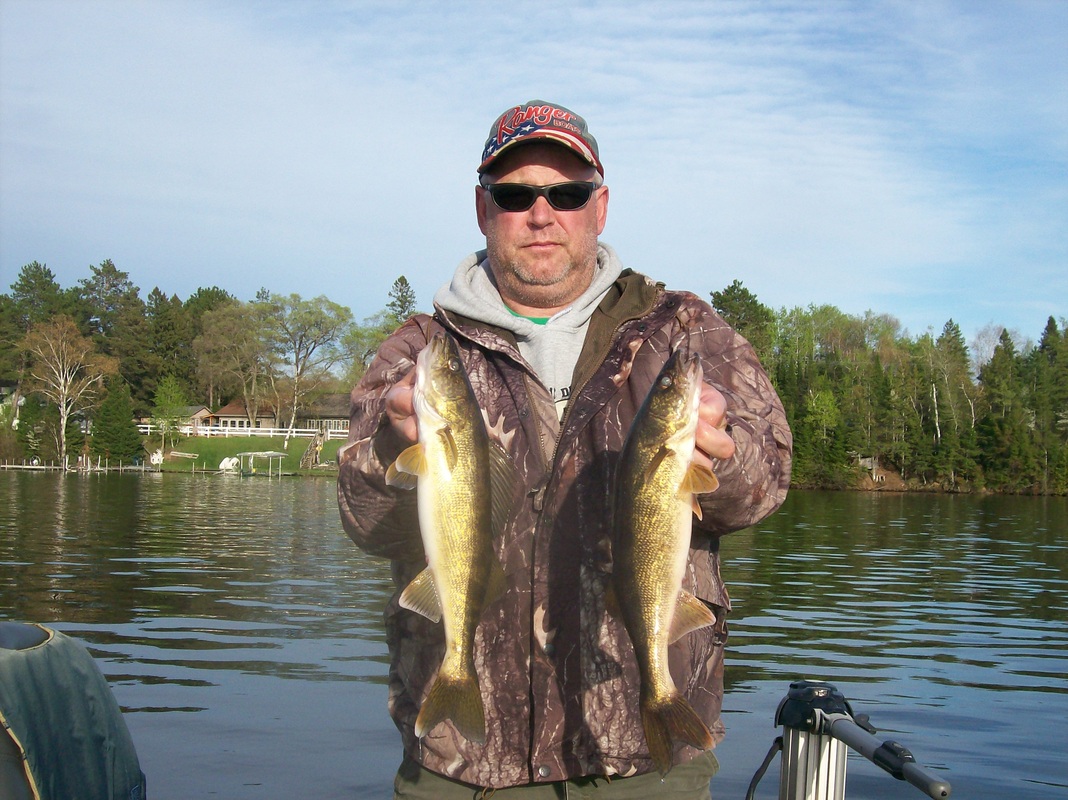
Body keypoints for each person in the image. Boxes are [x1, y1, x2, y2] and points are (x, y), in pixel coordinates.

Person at [338, 99, 792, 799]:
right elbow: (362, 521)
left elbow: (770, 481)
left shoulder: (684, 332)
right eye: (515, 195)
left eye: (567, 193)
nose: (541, 213)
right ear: (483, 208)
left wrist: (722, 457)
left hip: (649, 757)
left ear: (600, 206)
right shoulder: (422, 351)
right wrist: (387, 454)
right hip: (462, 761)